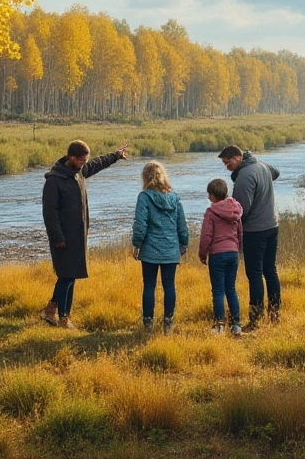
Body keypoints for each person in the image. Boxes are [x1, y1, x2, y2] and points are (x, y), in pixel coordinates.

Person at [41, 139, 129, 330]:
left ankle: (50, 310)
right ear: (71, 157)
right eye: (81, 160)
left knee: (69, 275)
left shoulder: (78, 172)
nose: (84, 164)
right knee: (67, 276)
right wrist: (57, 238)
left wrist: (115, 155)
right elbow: (50, 214)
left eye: (84, 161)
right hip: (62, 238)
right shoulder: (54, 181)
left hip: (77, 236)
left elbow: (96, 164)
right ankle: (64, 319)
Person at [218, 144, 281, 329]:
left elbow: (241, 210)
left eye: (227, 162)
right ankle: (274, 314)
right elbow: (275, 172)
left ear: (238, 157)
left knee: (254, 274)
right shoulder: (260, 165)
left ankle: (255, 320)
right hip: (272, 225)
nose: (226, 166)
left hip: (255, 230)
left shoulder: (245, 176)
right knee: (270, 271)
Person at [131, 161, 188, 335]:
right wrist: (184, 242)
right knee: (169, 285)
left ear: (145, 177)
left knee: (149, 285)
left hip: (150, 249)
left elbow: (140, 224)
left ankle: (148, 325)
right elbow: (182, 224)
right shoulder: (175, 197)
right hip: (170, 249)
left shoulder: (144, 197)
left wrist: (137, 244)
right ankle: (168, 325)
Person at [199, 178, 243, 336]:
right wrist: (238, 248)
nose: (207, 197)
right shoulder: (236, 209)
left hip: (217, 254)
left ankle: (219, 325)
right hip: (232, 253)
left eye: (208, 194)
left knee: (218, 290)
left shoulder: (211, 212)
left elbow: (206, 236)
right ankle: (236, 324)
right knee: (231, 288)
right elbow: (240, 232)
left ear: (212, 195)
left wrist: (202, 254)